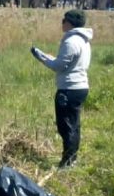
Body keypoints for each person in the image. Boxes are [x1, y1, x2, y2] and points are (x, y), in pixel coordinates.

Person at [30, 9, 93, 168]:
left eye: (63, 20)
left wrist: (41, 57)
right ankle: (72, 158)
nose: (61, 23)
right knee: (74, 124)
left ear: (70, 23)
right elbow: (66, 63)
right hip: (80, 87)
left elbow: (58, 66)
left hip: (69, 89)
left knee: (66, 126)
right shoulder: (84, 40)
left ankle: (67, 162)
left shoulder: (70, 41)